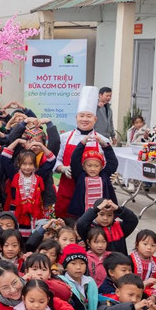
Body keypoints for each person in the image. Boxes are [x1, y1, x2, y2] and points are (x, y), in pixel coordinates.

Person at [54, 86, 103, 217]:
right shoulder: (64, 137)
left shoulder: (102, 140)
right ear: (76, 117)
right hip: (67, 189)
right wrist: (63, 168)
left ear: (95, 119)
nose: (84, 119)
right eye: (81, 116)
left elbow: (107, 165)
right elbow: (55, 160)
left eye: (89, 116)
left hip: (91, 192)